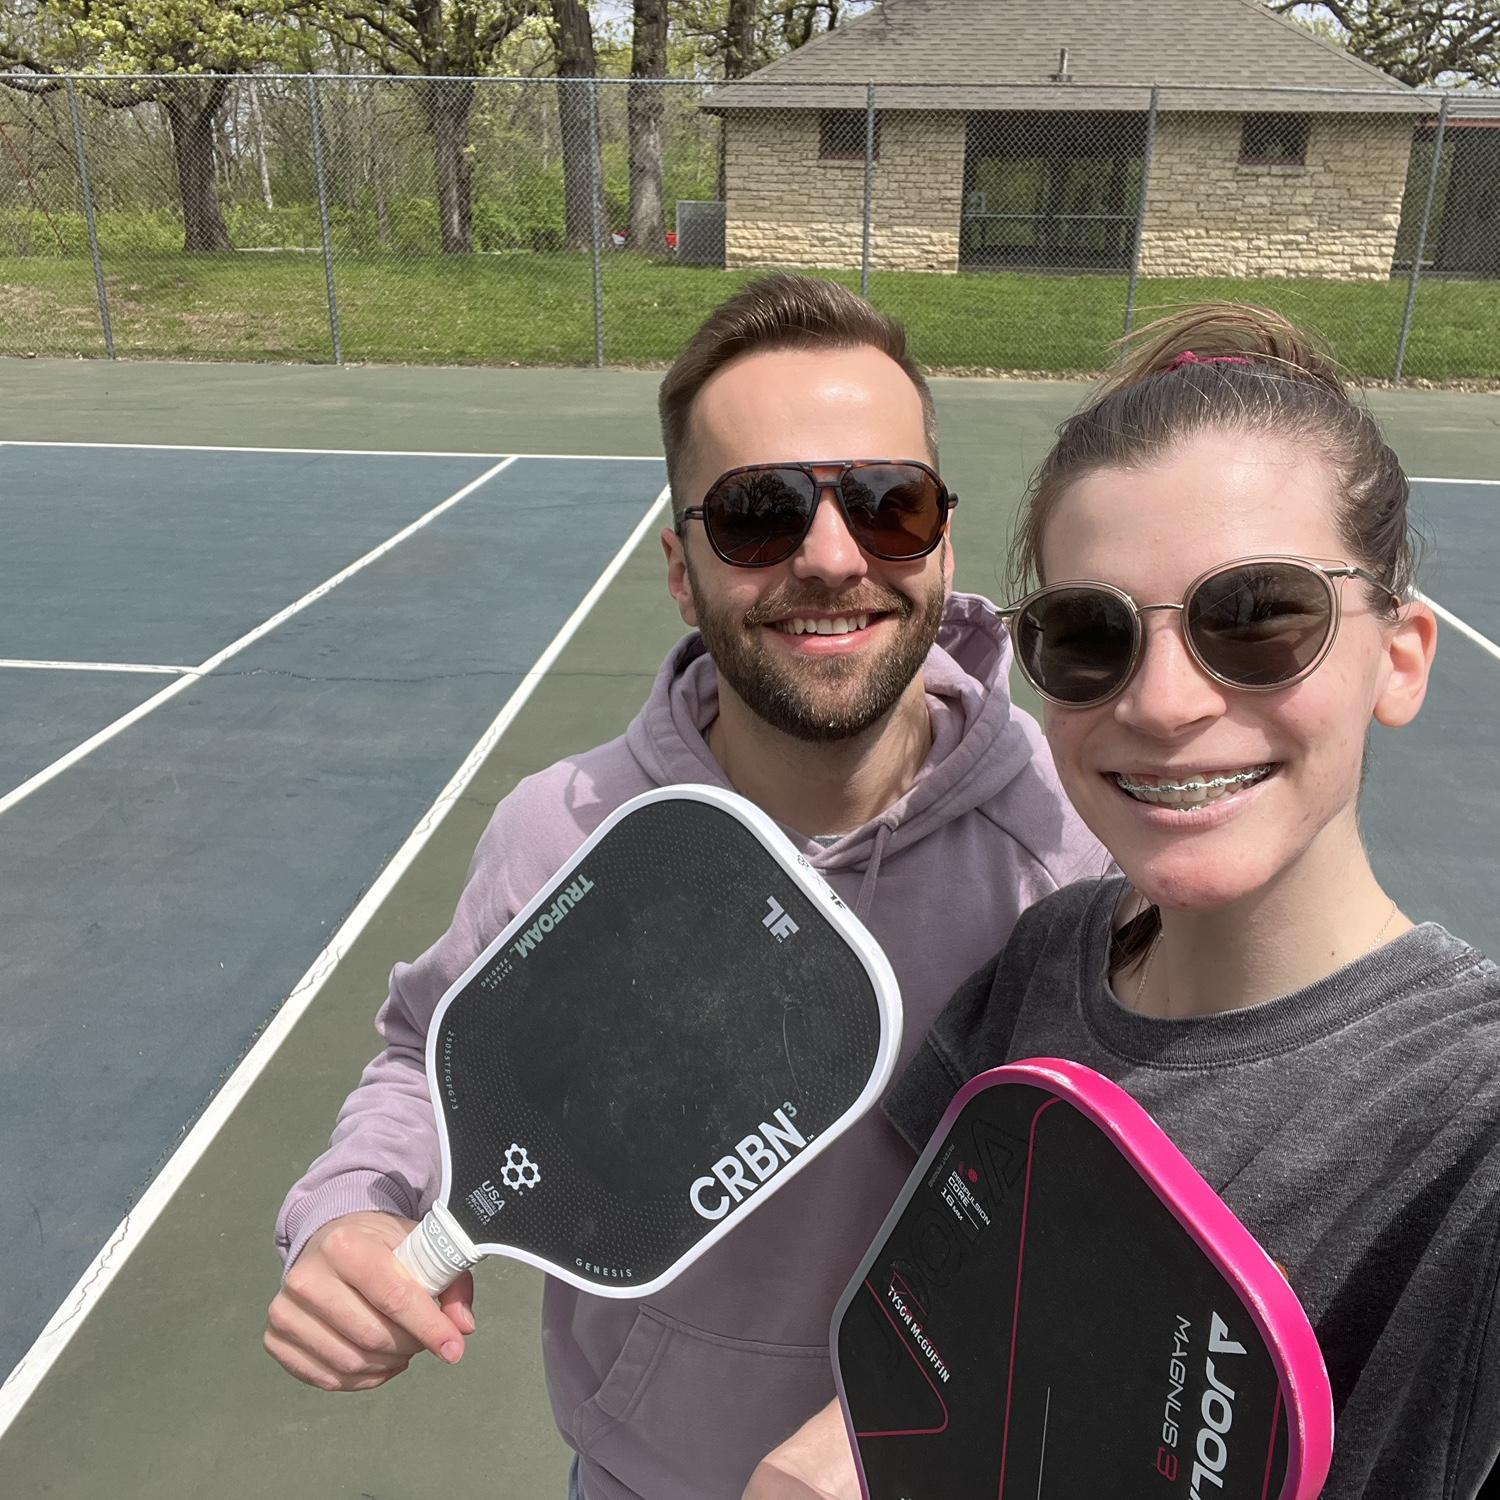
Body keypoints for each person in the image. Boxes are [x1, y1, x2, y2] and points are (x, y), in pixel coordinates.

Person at [263, 274, 1109, 1500]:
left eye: (890, 504)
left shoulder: (1066, 835)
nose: (832, 557)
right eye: (761, 513)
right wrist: (355, 1208)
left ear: (941, 543)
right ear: (681, 567)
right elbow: (429, 1059)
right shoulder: (562, 830)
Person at [747, 303, 1500, 1500]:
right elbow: (953, 1323)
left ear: (1400, 655)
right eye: (1090, 635)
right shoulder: (1052, 957)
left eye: (1256, 618)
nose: (1158, 701)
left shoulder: (1467, 1125)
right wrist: (845, 1446)